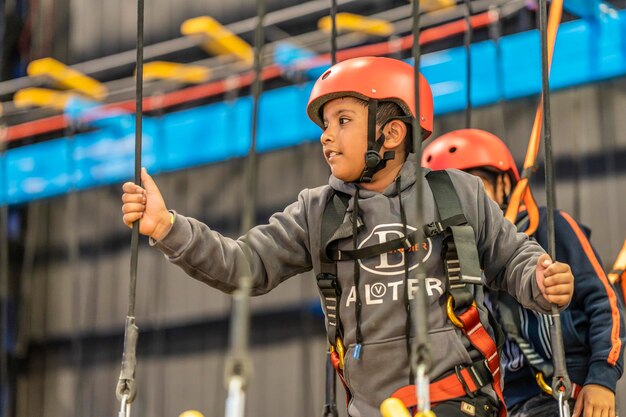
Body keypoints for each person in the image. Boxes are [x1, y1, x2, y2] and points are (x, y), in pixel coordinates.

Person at [121, 57, 575, 417]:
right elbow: (245, 265)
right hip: (371, 409)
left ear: (392, 132)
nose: (326, 136)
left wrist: (540, 280)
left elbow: (512, 257)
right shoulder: (318, 211)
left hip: (457, 399)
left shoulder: (456, 193)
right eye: (324, 125)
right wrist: (166, 228)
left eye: (342, 120)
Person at [422, 128, 624, 417]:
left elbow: (605, 304)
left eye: (474, 188)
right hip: (505, 402)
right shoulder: (446, 264)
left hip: (571, 389)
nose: (463, 205)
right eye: (449, 198)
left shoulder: (551, 228)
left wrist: (601, 379)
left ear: (504, 184)